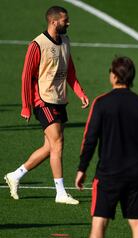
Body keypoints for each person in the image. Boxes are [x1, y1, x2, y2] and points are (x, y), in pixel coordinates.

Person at [4, 6, 89, 205]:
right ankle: (60, 192)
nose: (68, 23)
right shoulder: (37, 44)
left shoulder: (66, 41)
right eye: (65, 20)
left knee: (50, 147)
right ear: (53, 22)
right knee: (58, 142)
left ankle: (16, 175)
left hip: (59, 100)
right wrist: (26, 105)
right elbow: (26, 76)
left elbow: (70, 72)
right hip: (43, 100)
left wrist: (80, 92)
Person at [75, 56, 138, 238]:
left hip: (107, 174)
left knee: (99, 223)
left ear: (114, 76)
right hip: (135, 174)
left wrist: (82, 169)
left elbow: (90, 139)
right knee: (137, 224)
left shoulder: (101, 103)